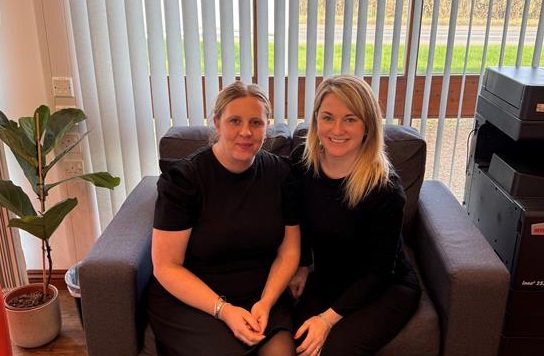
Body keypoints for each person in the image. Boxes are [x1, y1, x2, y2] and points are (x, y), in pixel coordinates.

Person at [147, 81, 300, 356]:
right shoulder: (185, 180)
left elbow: (289, 252)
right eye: (234, 121)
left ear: (267, 126)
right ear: (217, 123)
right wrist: (224, 310)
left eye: (256, 122)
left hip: (261, 294)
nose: (246, 132)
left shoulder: (281, 174)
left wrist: (266, 302)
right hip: (195, 298)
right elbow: (166, 266)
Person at [289, 75, 421, 356]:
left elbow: (379, 271)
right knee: (296, 343)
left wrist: (326, 320)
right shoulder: (303, 163)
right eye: (327, 117)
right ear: (315, 121)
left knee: (332, 350)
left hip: (385, 286)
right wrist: (301, 266)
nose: (337, 129)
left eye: (350, 119)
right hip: (329, 278)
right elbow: (297, 218)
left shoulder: (385, 190)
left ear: (367, 127)